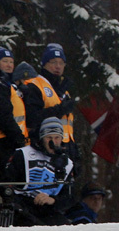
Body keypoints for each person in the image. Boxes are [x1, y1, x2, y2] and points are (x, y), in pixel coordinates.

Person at [2, 117, 74, 226]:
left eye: (57, 138)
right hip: (22, 206)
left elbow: (68, 197)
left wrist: (52, 200)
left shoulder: (67, 163)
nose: (53, 142)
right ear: (42, 138)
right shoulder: (23, 155)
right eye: (49, 137)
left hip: (48, 209)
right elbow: (6, 183)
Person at [23, 43, 79, 172]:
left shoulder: (64, 91)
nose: (58, 66)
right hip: (43, 149)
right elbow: (32, 118)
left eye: (61, 63)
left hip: (64, 147)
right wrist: (60, 109)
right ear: (44, 64)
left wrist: (73, 149)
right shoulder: (35, 85)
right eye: (53, 62)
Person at [0, 47, 27, 182]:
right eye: (5, 61)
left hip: (5, 140)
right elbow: (3, 114)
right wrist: (18, 137)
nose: (9, 65)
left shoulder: (6, 83)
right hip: (0, 142)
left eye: (11, 61)